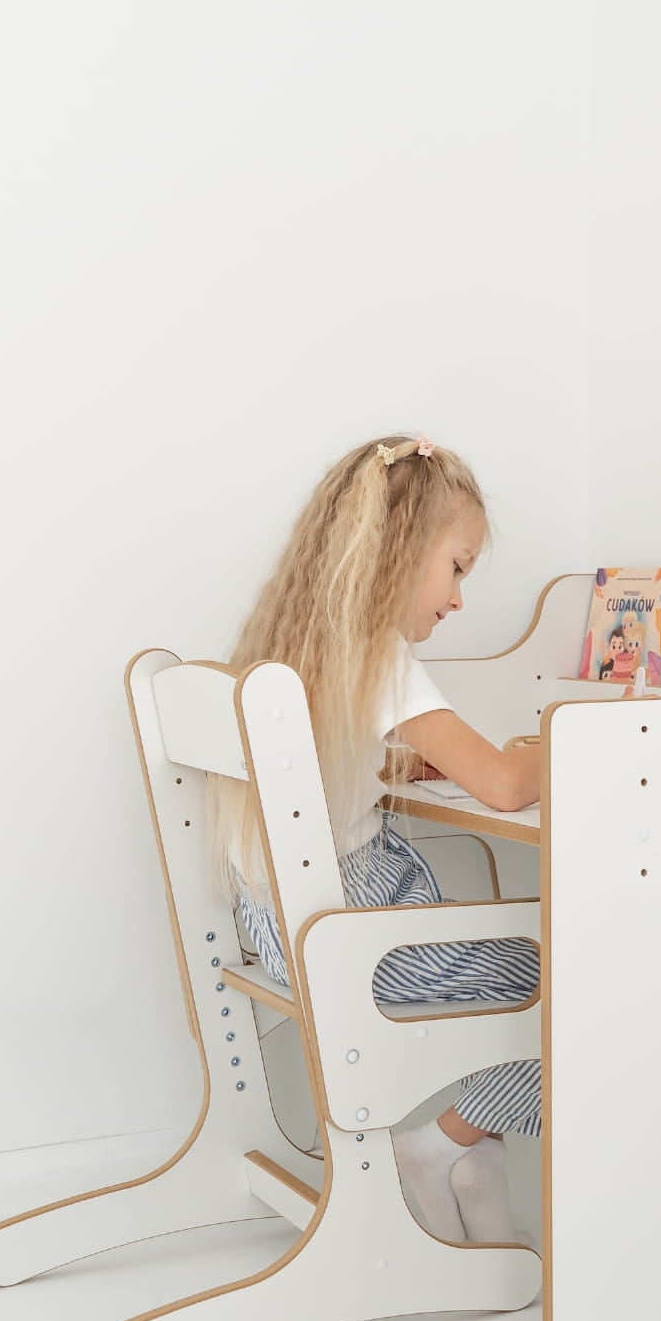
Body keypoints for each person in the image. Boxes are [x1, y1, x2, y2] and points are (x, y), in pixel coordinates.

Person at [207, 434, 541, 1245]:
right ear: (400, 553)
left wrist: (395, 760)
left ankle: (469, 1156)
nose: (458, 598)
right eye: (456, 567)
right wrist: (545, 748)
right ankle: (438, 1146)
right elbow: (501, 786)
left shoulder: (287, 644)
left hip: (278, 927)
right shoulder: (381, 653)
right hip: (352, 937)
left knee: (539, 968)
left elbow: (330, 762)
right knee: (576, 973)